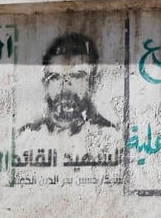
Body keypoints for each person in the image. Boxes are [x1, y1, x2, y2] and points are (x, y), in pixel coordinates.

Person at [18, 32, 121, 170]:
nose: (65, 87)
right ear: (45, 84)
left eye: (77, 76)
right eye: (55, 77)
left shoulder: (112, 136)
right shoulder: (27, 136)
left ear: (92, 82)